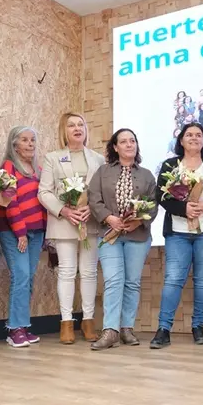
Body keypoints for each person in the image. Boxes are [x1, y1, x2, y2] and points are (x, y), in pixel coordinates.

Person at [149, 123, 203, 349]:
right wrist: (184, 209)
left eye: (198, 135)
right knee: (173, 280)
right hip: (178, 234)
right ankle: (163, 329)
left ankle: (198, 327)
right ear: (180, 140)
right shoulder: (170, 165)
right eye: (189, 135)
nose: (194, 138)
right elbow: (161, 196)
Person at [88, 128, 158, 350]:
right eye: (123, 141)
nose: (129, 144)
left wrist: (139, 221)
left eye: (133, 141)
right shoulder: (102, 172)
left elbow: (153, 205)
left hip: (138, 236)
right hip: (110, 236)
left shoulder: (147, 175)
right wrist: (110, 218)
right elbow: (94, 199)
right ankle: (110, 331)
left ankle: (127, 328)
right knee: (113, 280)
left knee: (132, 282)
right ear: (115, 147)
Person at [39, 112, 105, 344]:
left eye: (81, 125)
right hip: (64, 222)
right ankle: (66, 323)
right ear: (63, 131)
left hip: (90, 222)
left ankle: (88, 322)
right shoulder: (53, 158)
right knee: (66, 271)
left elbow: (103, 192)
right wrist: (65, 211)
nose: (77, 128)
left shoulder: (98, 159)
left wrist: (93, 210)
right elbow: (44, 192)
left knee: (88, 272)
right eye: (71, 125)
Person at [0, 126, 48, 348]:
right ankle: (15, 328)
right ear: (14, 144)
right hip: (14, 232)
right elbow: (10, 203)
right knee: (21, 276)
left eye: (33, 140)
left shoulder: (36, 169)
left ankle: (23, 325)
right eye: (25, 140)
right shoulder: (8, 167)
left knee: (28, 277)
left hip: (37, 232)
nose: (30, 144)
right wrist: (20, 233)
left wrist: (45, 232)